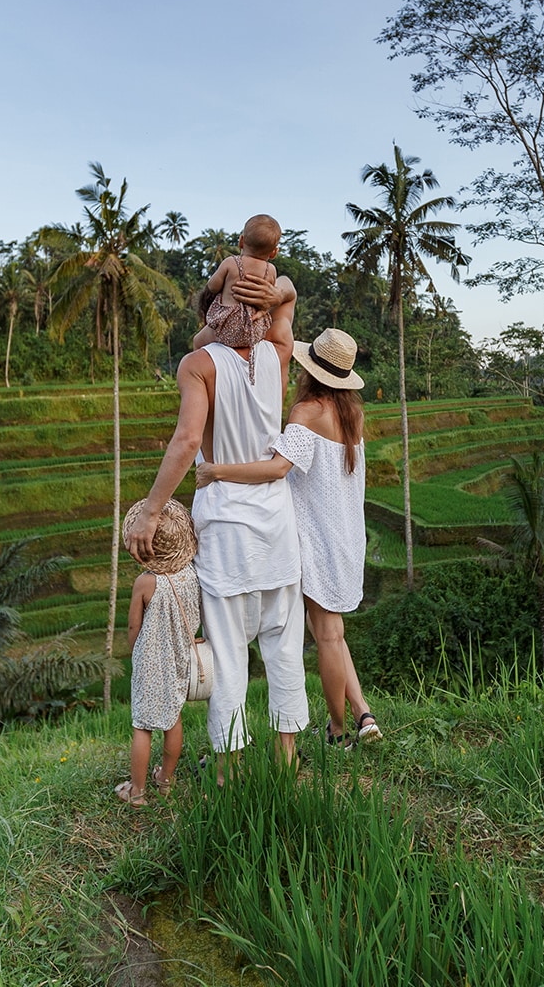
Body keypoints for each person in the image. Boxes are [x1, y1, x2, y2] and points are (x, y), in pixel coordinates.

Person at [124, 283, 307, 780]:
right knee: (284, 649)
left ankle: (227, 769)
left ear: (211, 315)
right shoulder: (278, 352)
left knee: (227, 656)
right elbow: (287, 294)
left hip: (227, 532)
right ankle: (287, 760)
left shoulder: (197, 365)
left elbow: (187, 440)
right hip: (277, 529)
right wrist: (265, 288)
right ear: (263, 309)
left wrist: (151, 511)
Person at [195, 327, 381, 748]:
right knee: (332, 631)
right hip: (347, 533)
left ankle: (337, 731)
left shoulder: (307, 411)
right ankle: (362, 714)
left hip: (316, 537)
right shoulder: (352, 414)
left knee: (327, 635)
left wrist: (216, 471)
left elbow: (278, 468)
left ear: (310, 370)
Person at [114, 497, 202, 807]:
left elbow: (133, 626)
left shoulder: (145, 583)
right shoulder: (192, 575)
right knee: (172, 718)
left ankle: (137, 792)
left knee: (143, 725)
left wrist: (135, 652)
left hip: (151, 659)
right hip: (179, 656)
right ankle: (165, 780)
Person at [193, 214, 294, 380]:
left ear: (241, 241)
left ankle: (204, 375)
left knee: (198, 341)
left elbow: (212, 286)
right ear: (274, 252)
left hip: (227, 328)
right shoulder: (271, 270)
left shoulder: (231, 262)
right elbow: (267, 295)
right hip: (255, 331)